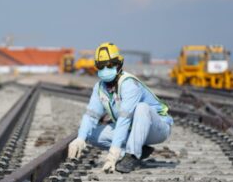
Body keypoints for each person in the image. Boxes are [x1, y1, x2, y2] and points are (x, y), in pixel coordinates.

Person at [67, 42, 173, 173]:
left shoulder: (129, 84)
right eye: (101, 65)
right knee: (92, 134)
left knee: (142, 108)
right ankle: (136, 150)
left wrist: (113, 154)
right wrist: (80, 138)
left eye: (110, 65)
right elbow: (91, 115)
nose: (105, 69)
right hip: (133, 130)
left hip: (157, 128)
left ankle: (132, 155)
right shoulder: (100, 88)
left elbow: (124, 119)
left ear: (119, 64)